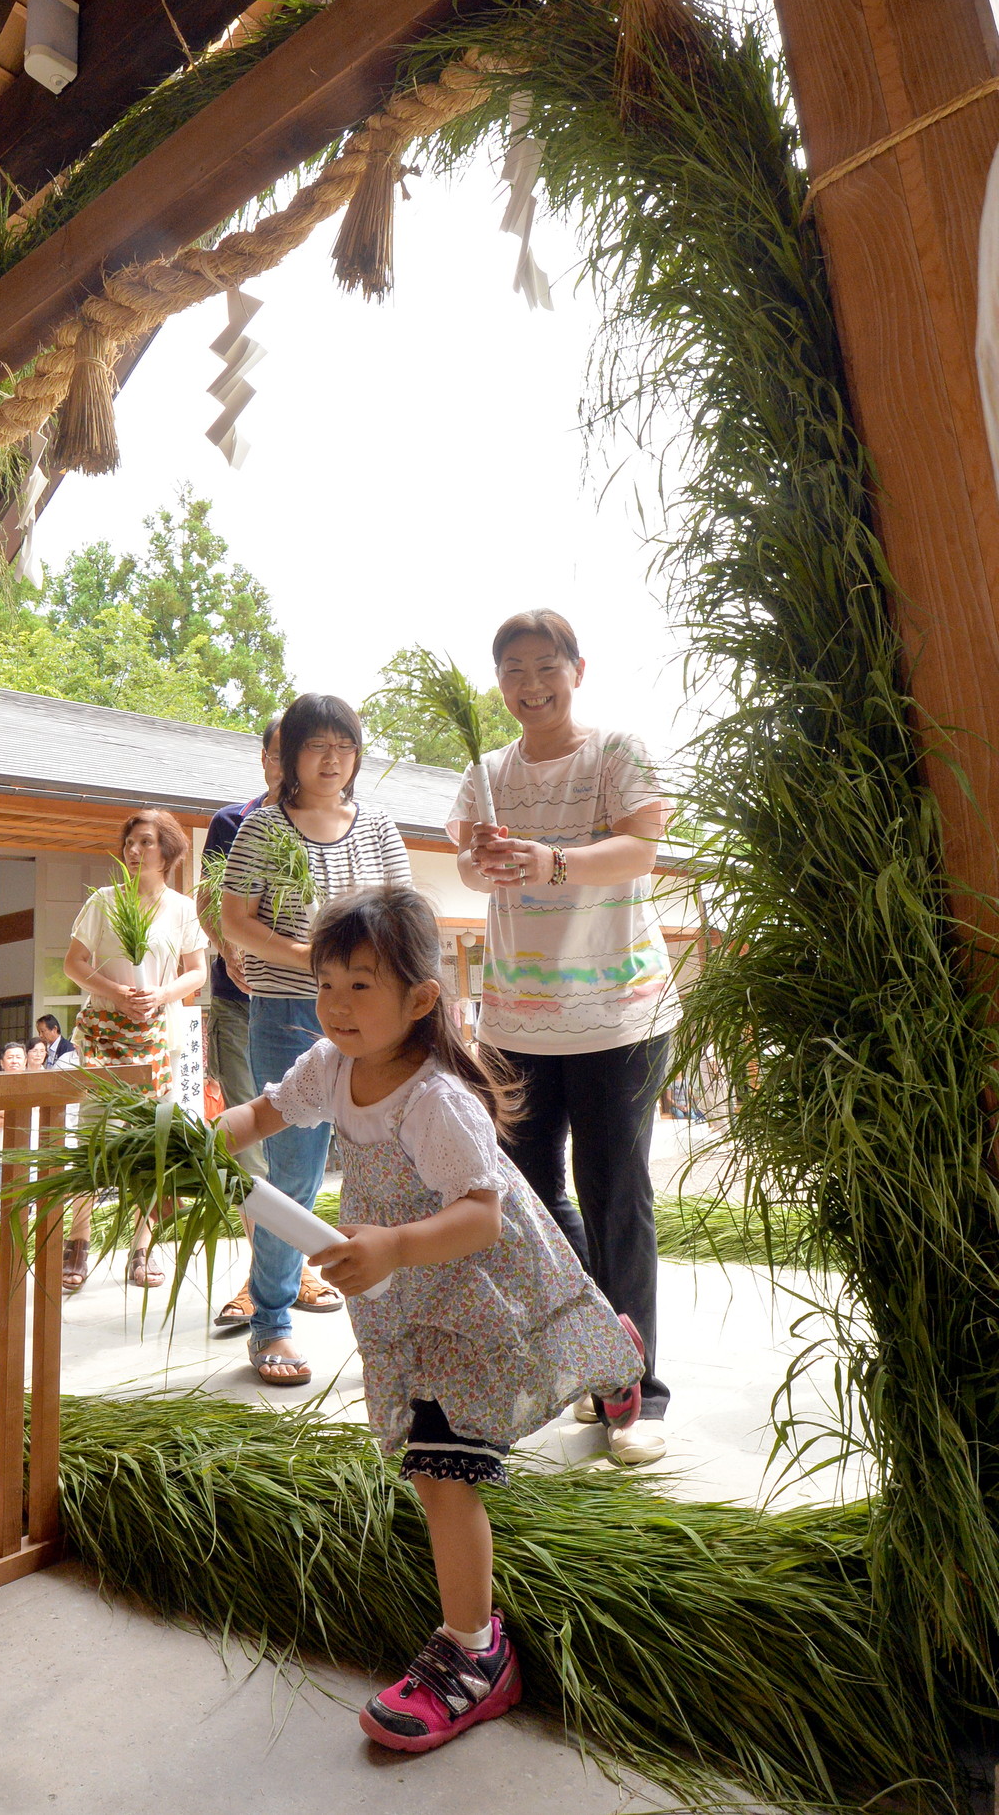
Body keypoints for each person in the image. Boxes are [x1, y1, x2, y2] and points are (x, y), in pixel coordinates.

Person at [218, 886, 642, 1751]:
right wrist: (183, 1143)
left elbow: (481, 1218)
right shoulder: (329, 1066)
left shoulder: (436, 1097)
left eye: (360, 986)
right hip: (405, 1291)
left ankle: (476, 1654)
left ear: (420, 998)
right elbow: (259, 1115)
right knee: (443, 1447)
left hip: (464, 1279)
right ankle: (609, 1353)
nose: (336, 1005)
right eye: (326, 983)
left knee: (443, 1467)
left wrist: (397, 1248)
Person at [449, 608, 681, 1465]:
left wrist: (552, 861)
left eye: (546, 666)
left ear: (578, 670)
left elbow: (642, 850)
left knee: (617, 1191)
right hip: (517, 1018)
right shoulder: (486, 773)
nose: (530, 684)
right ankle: (603, 1363)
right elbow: (470, 863)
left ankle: (641, 1393)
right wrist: (488, 858)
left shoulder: (615, 752)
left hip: (619, 1012)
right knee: (532, 1200)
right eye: (513, 669)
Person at [221, 693, 412, 1385]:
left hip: (379, 1013)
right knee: (295, 1173)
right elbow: (234, 919)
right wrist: (311, 957)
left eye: (345, 746)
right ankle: (271, 1321)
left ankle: (396, 1326)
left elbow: (404, 914)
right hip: (289, 1009)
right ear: (290, 755)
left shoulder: (380, 826)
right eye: (317, 746)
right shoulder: (265, 829)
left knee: (393, 1170)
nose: (332, 760)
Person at [197, 713, 312, 1332]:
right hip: (241, 1002)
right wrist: (229, 947)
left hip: (310, 1002)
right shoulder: (234, 822)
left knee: (305, 1143)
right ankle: (262, 1277)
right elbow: (210, 901)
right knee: (254, 1140)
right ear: (267, 759)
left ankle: (300, 1268)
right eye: (275, 755)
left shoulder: (326, 823)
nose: (282, 766)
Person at [62, 808, 208, 1291]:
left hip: (157, 1037)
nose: (134, 850)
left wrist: (163, 995)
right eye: (130, 842)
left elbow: (197, 972)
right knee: (94, 1139)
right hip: (104, 1030)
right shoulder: (103, 901)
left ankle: (141, 1249)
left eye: (145, 842)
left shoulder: (183, 908)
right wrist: (118, 992)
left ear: (167, 851)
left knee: (153, 1140)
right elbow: (75, 964)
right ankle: (78, 1242)